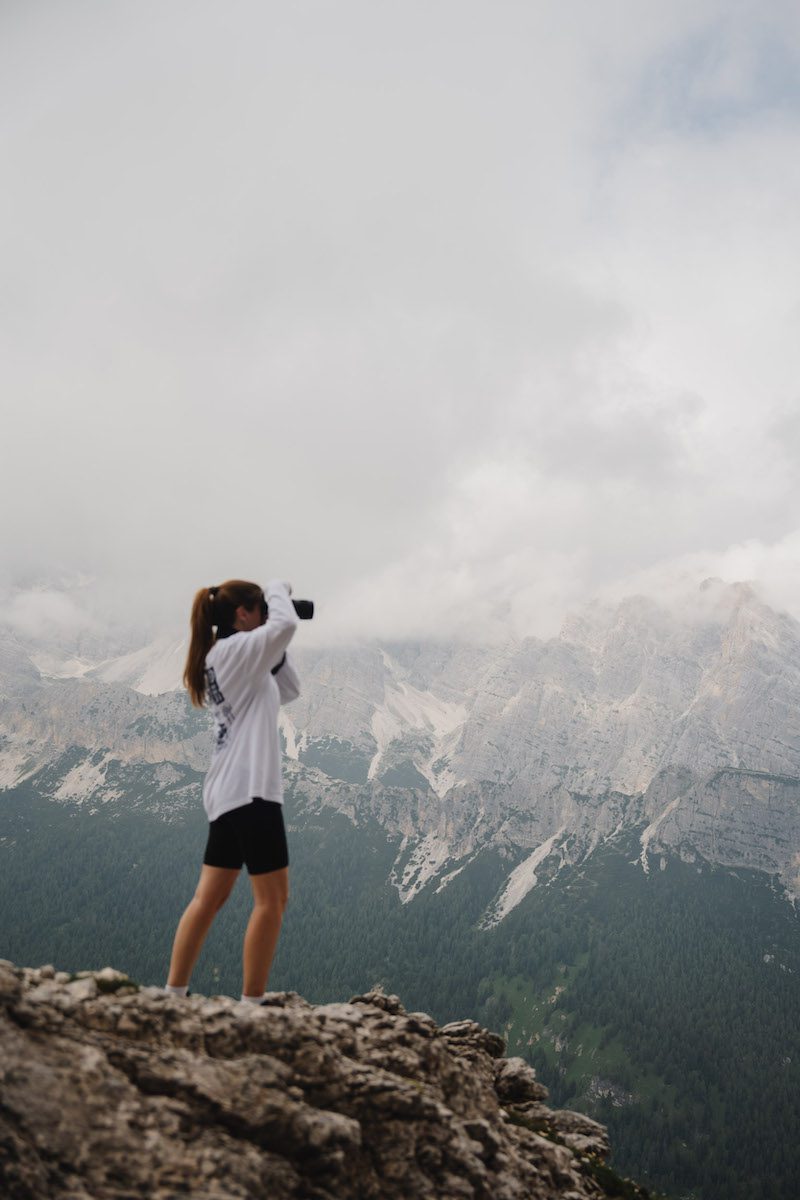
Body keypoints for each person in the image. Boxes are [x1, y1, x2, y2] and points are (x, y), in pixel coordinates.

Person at [165, 578, 300, 1004]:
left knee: (209, 897)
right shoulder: (234, 651)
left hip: (227, 792)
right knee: (273, 900)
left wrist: (272, 653)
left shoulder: (221, 655)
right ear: (243, 613)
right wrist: (278, 589)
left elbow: (290, 690)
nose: (266, 612)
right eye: (260, 606)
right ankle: (252, 1006)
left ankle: (173, 994)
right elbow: (284, 628)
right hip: (252, 792)